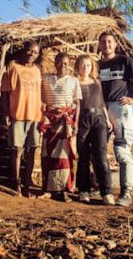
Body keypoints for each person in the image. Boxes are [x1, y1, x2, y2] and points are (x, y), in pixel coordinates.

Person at [98, 32, 133, 206]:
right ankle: (99, 188)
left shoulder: (124, 61)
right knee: (98, 149)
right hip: (102, 109)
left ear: (115, 44)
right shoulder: (97, 65)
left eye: (109, 41)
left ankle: (126, 192)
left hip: (120, 109)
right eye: (103, 42)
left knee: (122, 150)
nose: (107, 44)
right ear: (99, 45)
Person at [1, 41, 43, 197]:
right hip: (17, 115)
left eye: (35, 52)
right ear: (23, 51)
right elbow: (5, 92)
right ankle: (16, 184)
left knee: (31, 151)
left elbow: (41, 94)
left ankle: (27, 186)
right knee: (18, 151)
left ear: (38, 55)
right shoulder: (13, 68)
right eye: (29, 50)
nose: (32, 54)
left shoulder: (38, 71)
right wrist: (6, 113)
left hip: (35, 117)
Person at [40, 52, 82, 202]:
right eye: (59, 62)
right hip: (50, 121)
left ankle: (63, 189)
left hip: (65, 123)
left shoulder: (73, 81)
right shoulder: (46, 79)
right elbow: (42, 100)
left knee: (63, 157)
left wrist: (76, 123)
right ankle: (47, 189)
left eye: (65, 63)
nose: (62, 66)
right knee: (47, 154)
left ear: (69, 64)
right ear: (55, 63)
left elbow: (77, 104)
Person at [74, 54, 115, 205]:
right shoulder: (75, 83)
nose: (86, 67)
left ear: (92, 67)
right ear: (78, 66)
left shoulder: (97, 82)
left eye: (89, 65)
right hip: (82, 120)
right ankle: (84, 191)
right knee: (83, 156)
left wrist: (107, 119)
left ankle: (107, 192)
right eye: (83, 65)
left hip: (99, 119)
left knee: (101, 156)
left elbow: (102, 102)